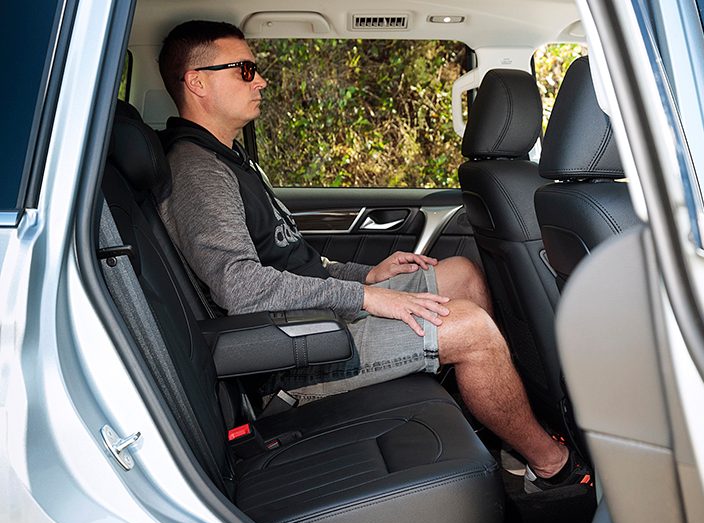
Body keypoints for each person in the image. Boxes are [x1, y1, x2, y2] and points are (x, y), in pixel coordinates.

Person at [156, 20, 590, 491]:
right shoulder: (198, 171)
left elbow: (297, 260)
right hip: (294, 350)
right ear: (197, 82)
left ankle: (498, 422)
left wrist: (368, 275)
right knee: (471, 330)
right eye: (244, 70)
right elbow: (241, 288)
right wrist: (367, 298)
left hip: (317, 316)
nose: (260, 80)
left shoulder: (232, 158)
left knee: (462, 274)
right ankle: (553, 467)